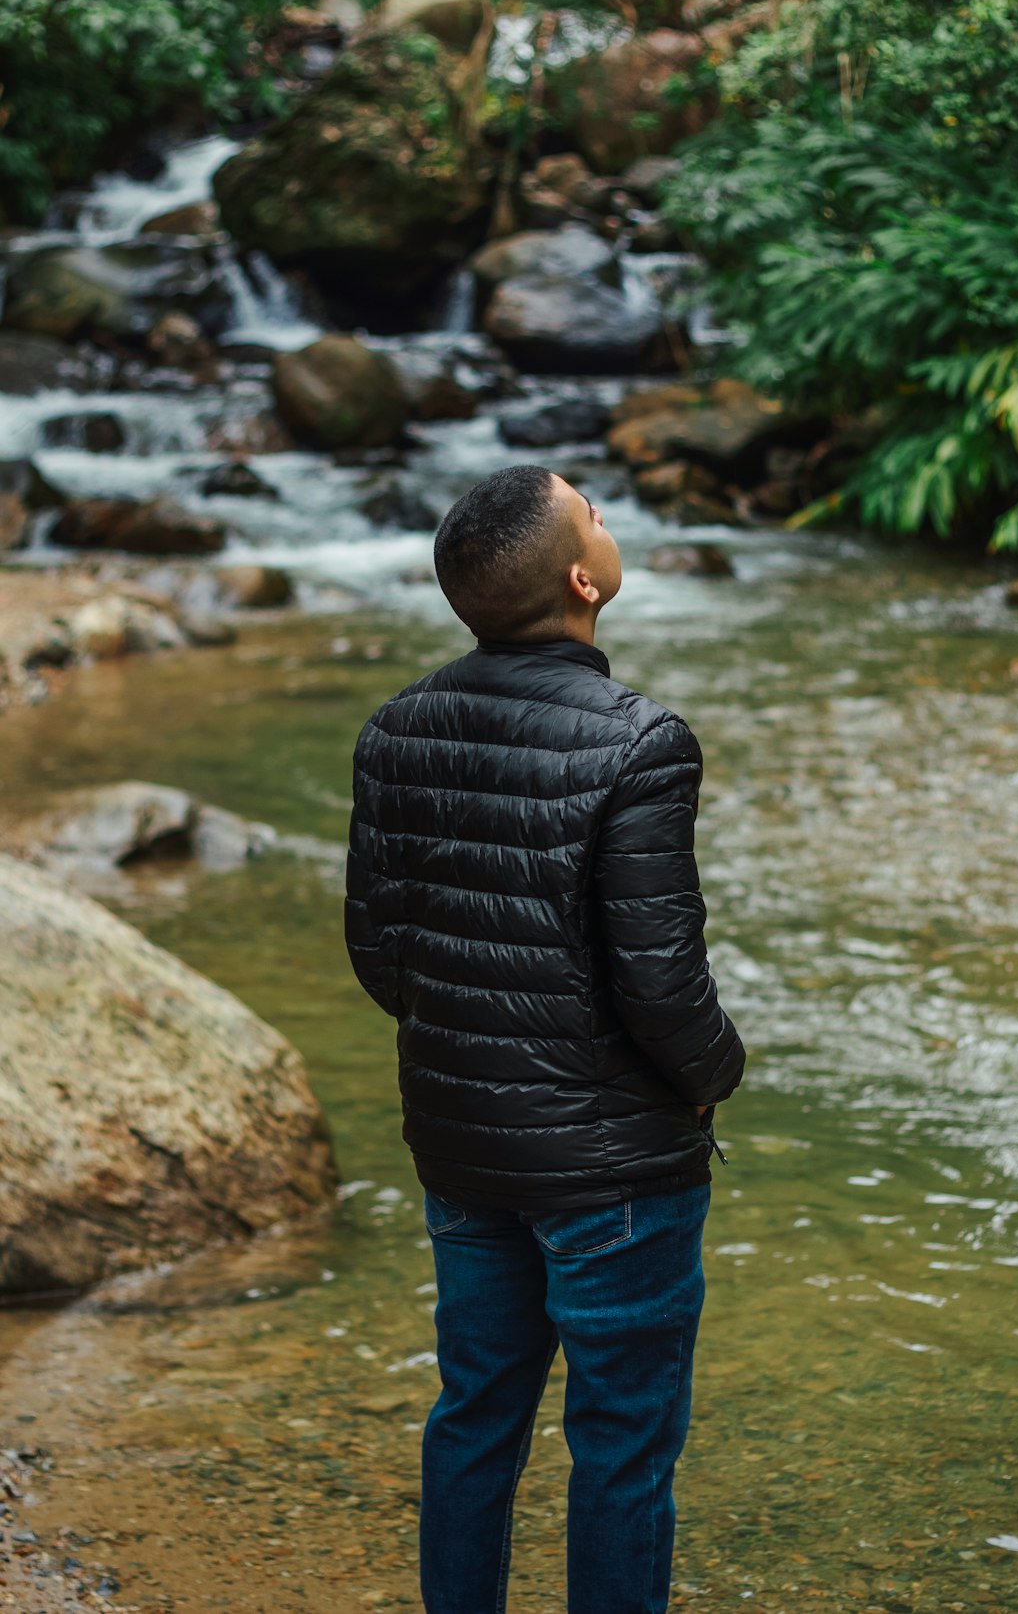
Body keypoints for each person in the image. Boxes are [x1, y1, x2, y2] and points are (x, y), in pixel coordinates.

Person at [344, 463, 747, 1614]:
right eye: (596, 514)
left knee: (475, 1415)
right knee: (620, 1445)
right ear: (584, 579)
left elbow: (381, 955)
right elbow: (663, 986)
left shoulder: (395, 727)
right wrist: (718, 1079)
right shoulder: (642, 743)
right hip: (616, 1166)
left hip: (465, 1149)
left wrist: (480, 1051)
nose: (608, 523)